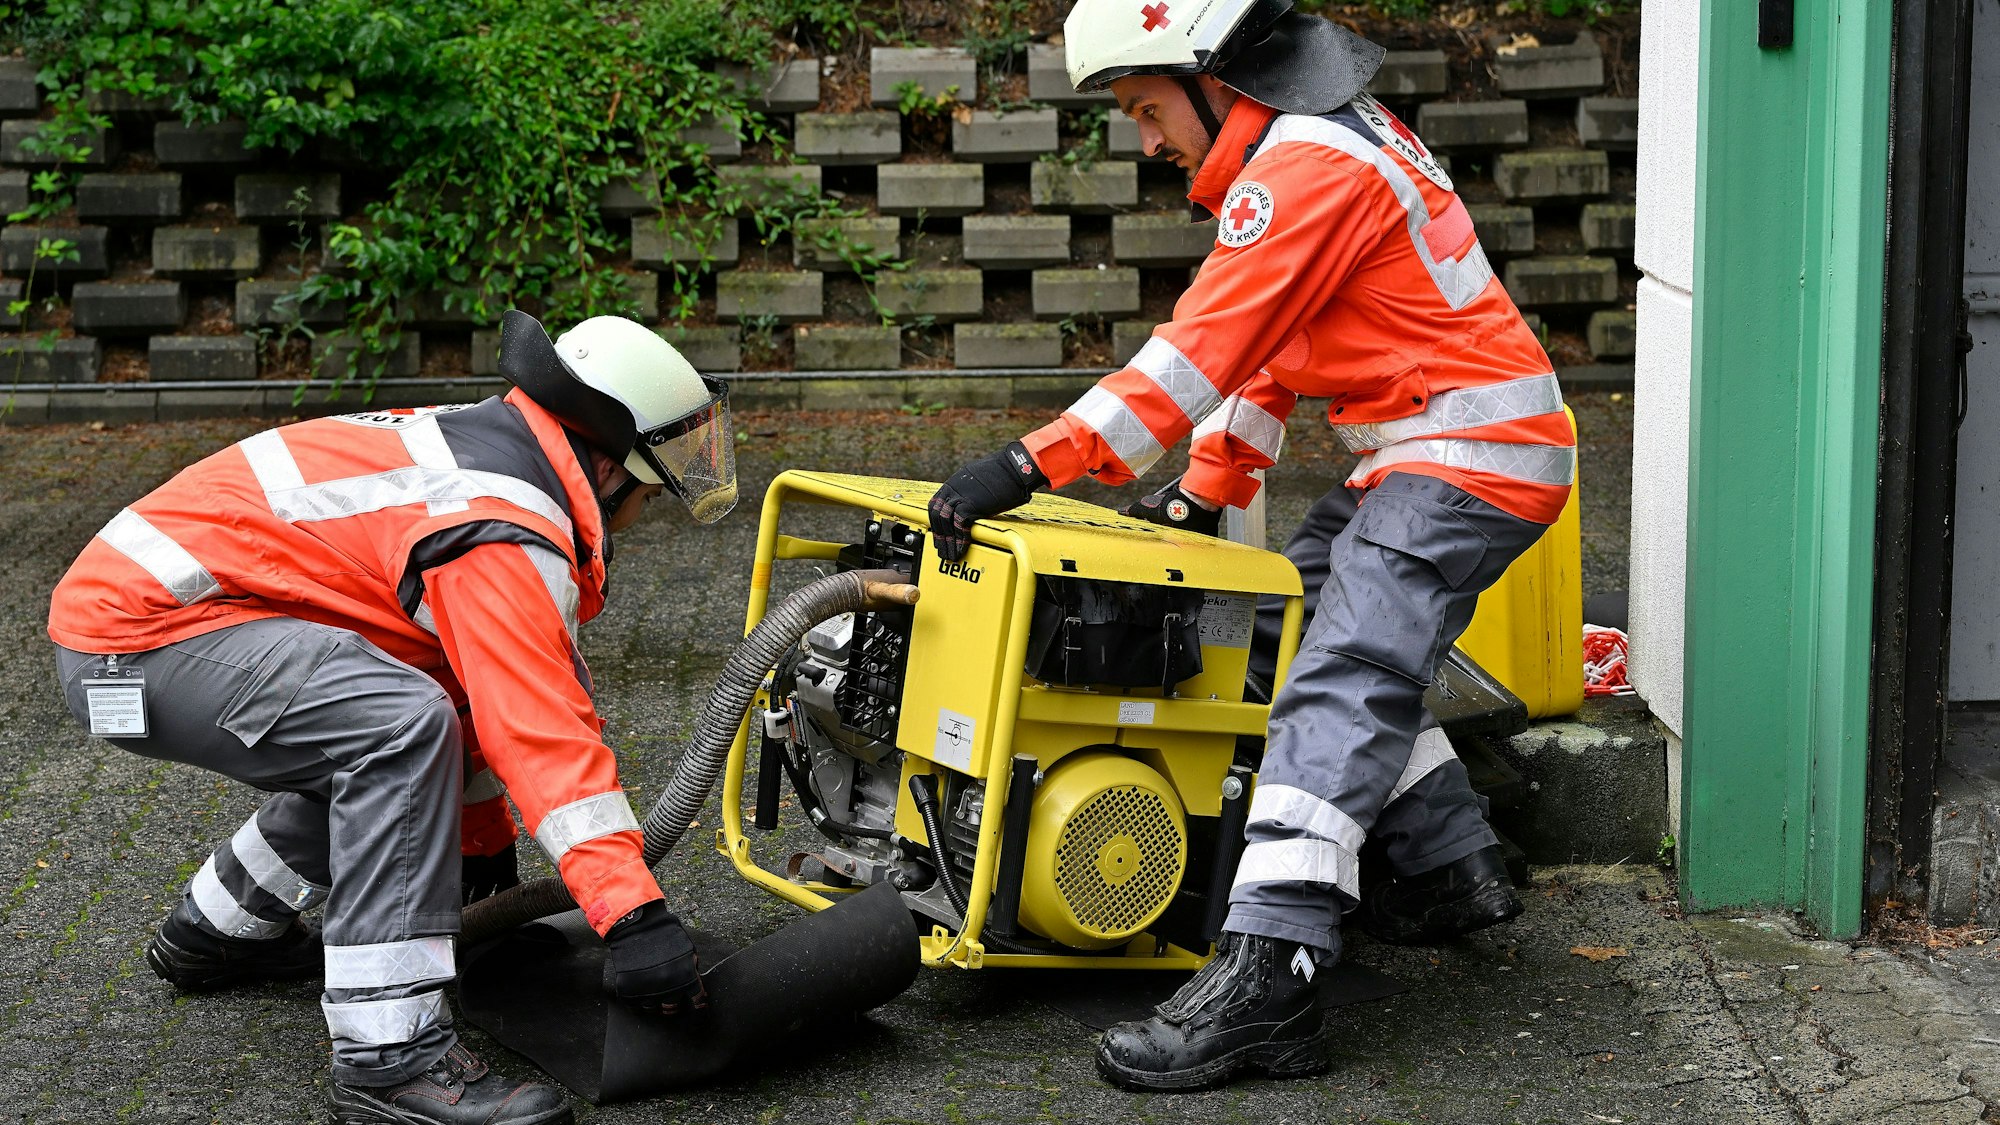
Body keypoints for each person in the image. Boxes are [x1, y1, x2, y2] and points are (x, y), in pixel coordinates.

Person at [928, 0, 1576, 1093]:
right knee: (1310, 626)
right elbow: (1260, 355)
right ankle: (1443, 863)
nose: (1143, 141)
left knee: (1342, 674)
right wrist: (1202, 496)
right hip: (1447, 451)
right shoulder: (1316, 143)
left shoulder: (1305, 168)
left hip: (1460, 459)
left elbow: (1193, 359)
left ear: (1215, 76)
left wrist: (1023, 465)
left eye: (1144, 108)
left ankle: (1267, 973)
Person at [47, 310, 738, 1125]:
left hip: (145, 621)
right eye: (652, 482)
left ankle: (220, 927)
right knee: (398, 727)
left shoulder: (487, 451)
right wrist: (634, 917)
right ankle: (391, 1057)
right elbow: (539, 729)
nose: (651, 503)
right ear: (607, 457)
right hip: (136, 642)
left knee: (403, 713)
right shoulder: (499, 524)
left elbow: (469, 690)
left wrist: (481, 861)